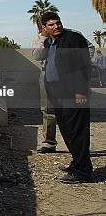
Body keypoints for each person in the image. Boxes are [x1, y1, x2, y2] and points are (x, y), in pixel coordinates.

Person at [32, 12, 92, 183]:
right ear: (44, 28)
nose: (56, 26)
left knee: (77, 131)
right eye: (50, 25)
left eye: (57, 23)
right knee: (67, 130)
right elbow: (38, 56)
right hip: (58, 93)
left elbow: (82, 66)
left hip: (73, 93)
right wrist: (43, 38)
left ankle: (83, 171)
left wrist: (80, 91)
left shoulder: (73, 39)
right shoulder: (50, 42)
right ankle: (77, 163)